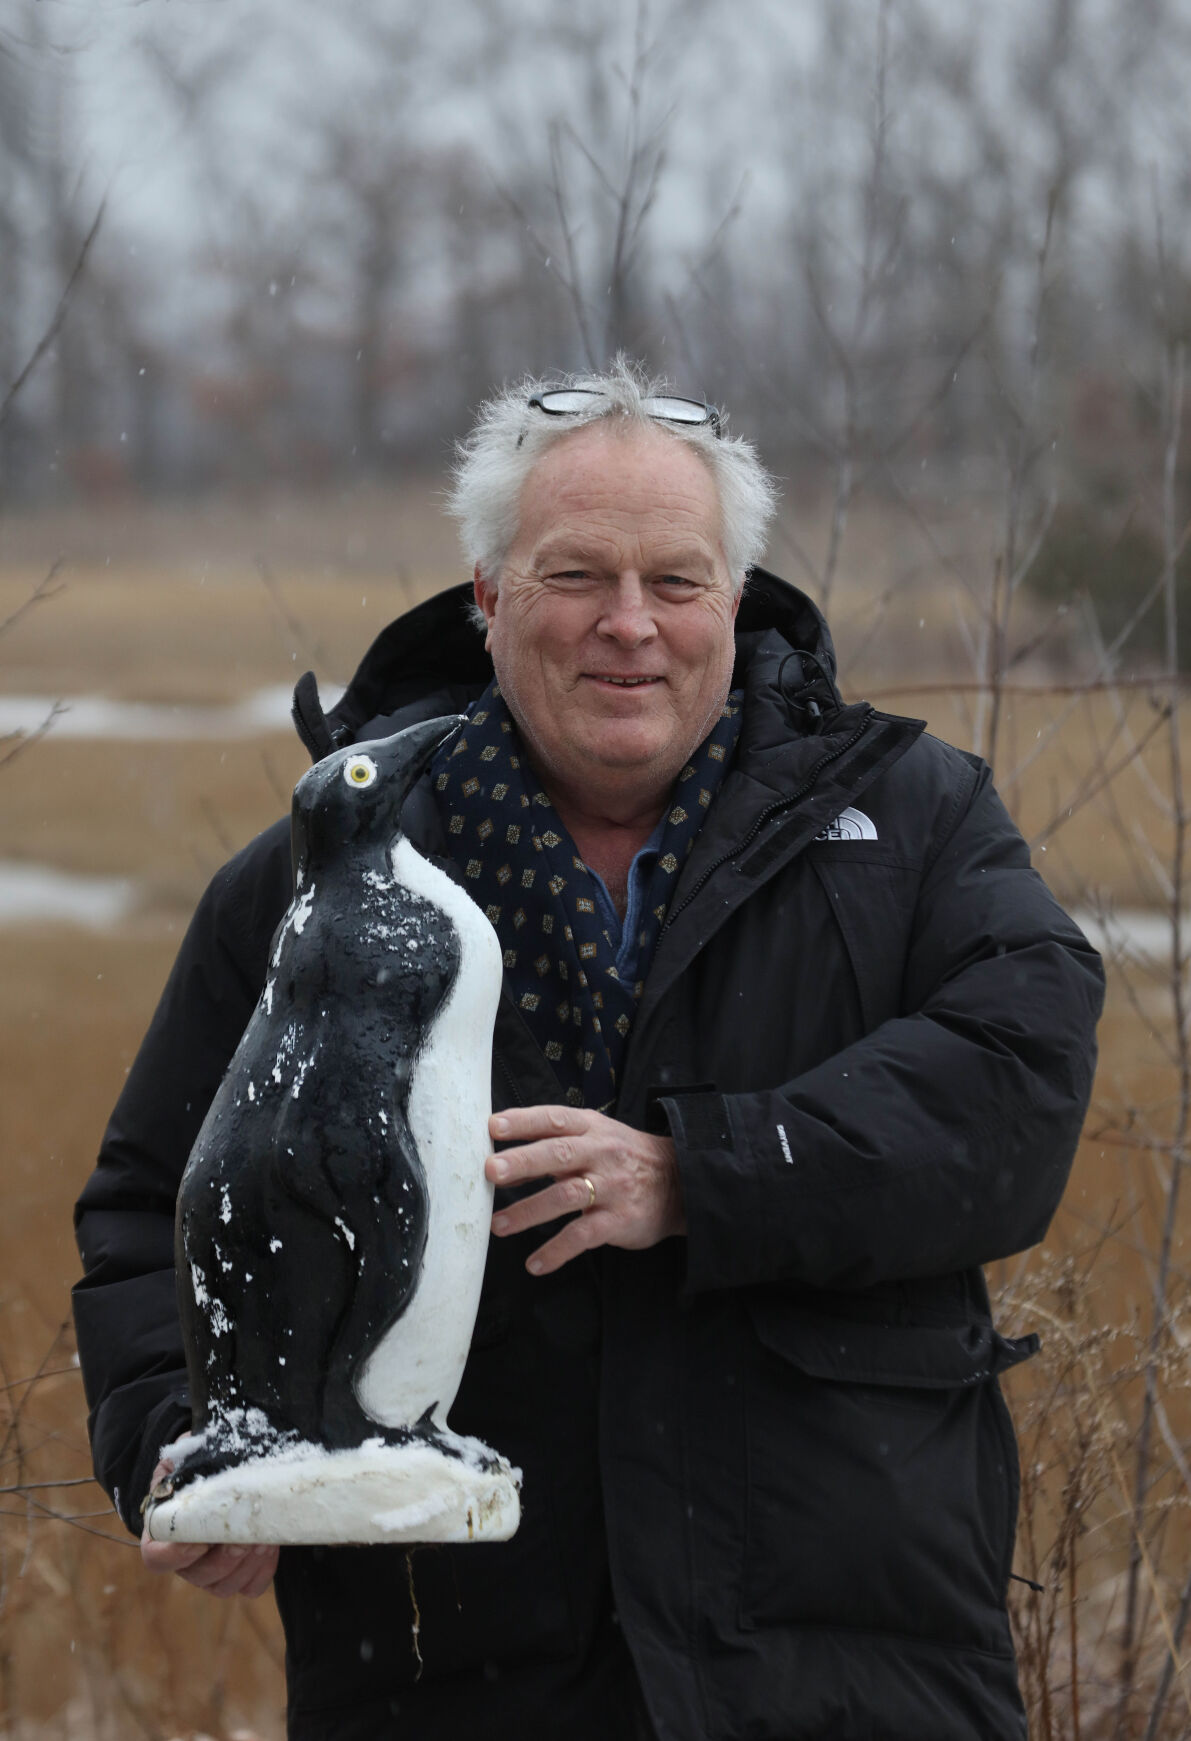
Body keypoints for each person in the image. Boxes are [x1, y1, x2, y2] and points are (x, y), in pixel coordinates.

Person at [73, 360, 1104, 1741]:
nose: (631, 626)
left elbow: (1018, 1089)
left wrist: (704, 1172)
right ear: (489, 600)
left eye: (677, 582)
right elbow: (152, 1205)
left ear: (731, 603)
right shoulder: (320, 880)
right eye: (576, 578)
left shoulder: (911, 822)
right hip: (448, 1683)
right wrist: (182, 1442)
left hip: (855, 1680)